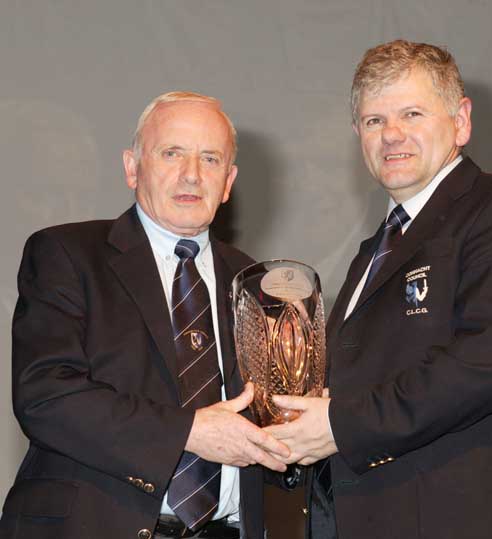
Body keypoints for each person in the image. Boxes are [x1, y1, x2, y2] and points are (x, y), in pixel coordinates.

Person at [266, 39, 492, 539]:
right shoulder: (374, 250)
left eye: (411, 113)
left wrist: (342, 424)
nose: (392, 135)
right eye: (374, 121)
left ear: (461, 120)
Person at [0, 91, 290, 539]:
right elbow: (45, 396)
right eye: (172, 153)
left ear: (228, 182)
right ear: (132, 168)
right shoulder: (67, 254)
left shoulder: (258, 283)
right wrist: (187, 432)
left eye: (210, 159)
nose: (191, 174)